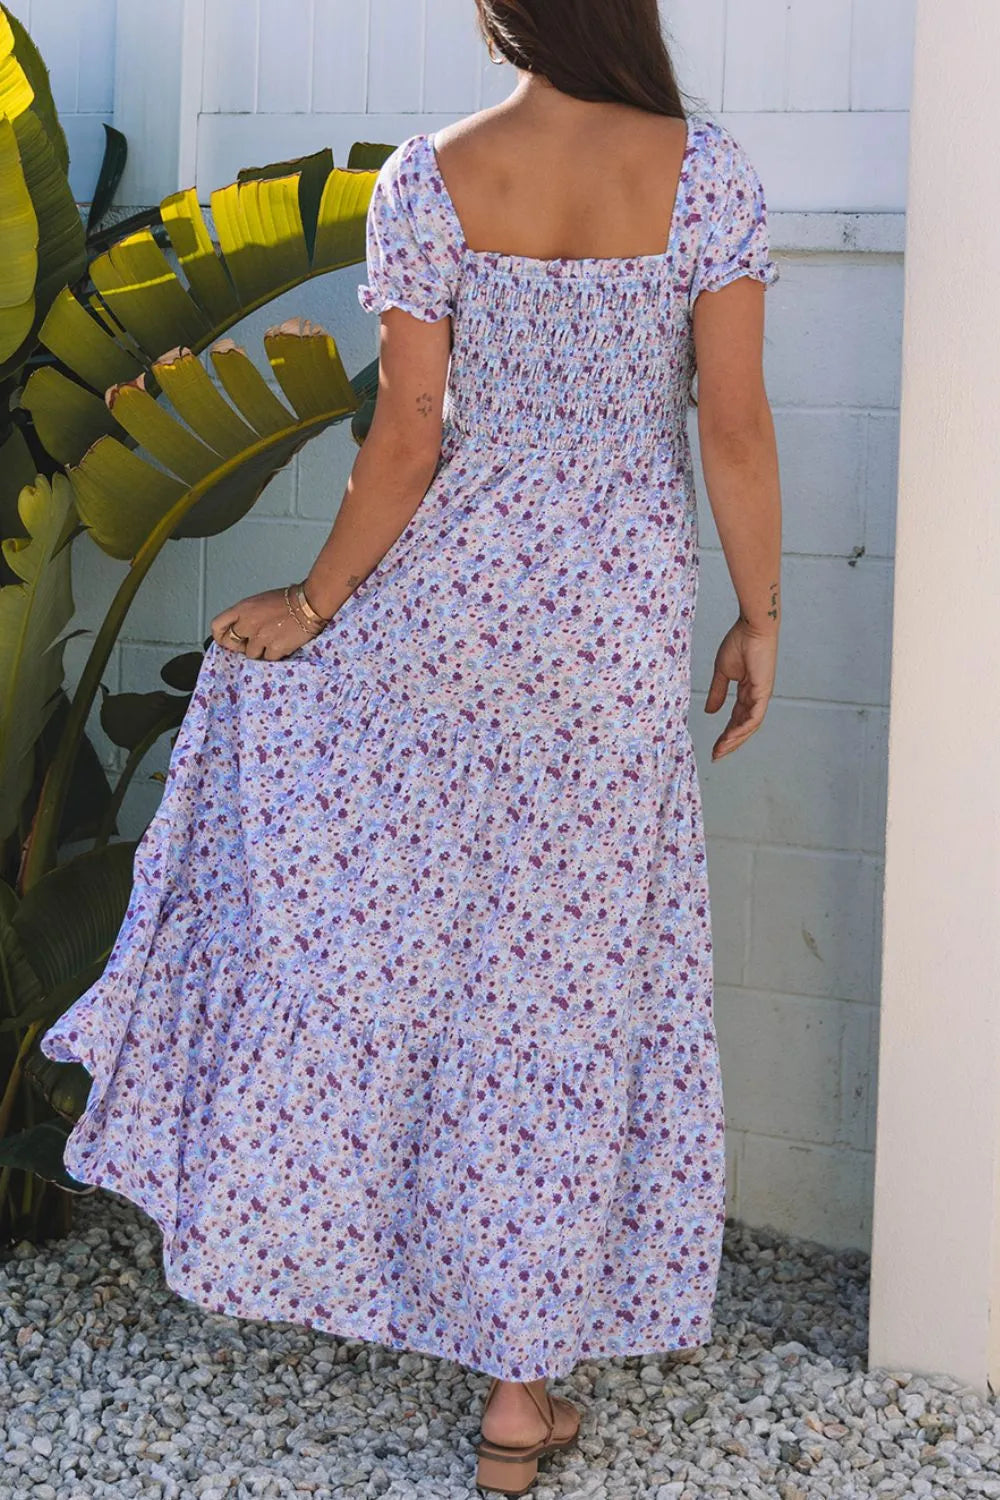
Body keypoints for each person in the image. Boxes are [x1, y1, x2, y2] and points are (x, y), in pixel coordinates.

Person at [41, 0, 782, 1493]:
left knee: (408, 936)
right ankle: (521, 1392)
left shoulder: (431, 177)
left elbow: (409, 436)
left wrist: (314, 607)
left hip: (443, 612)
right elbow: (738, 425)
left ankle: (344, 1233)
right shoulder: (708, 171)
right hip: (610, 630)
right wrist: (762, 614)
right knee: (564, 974)